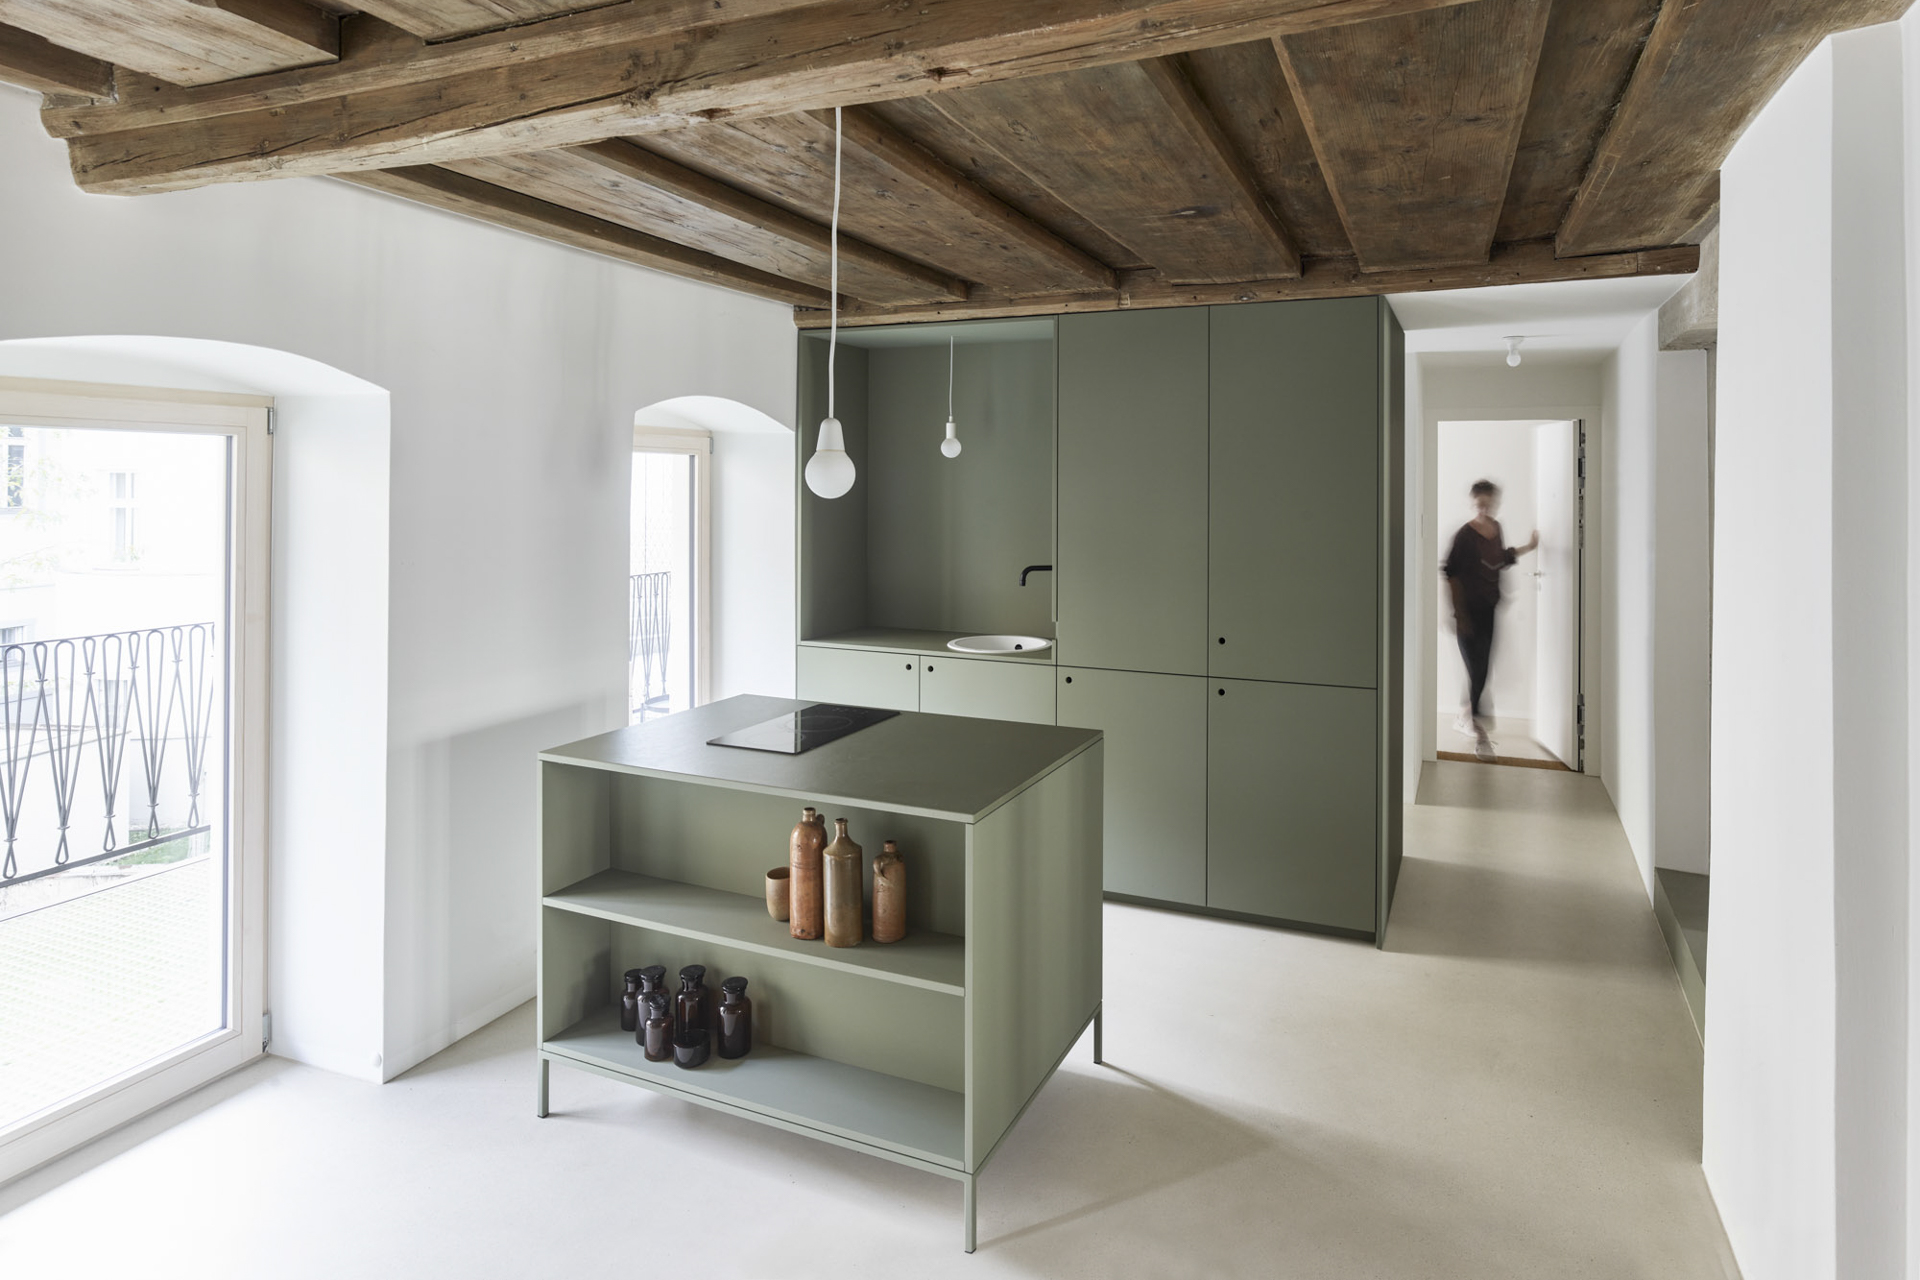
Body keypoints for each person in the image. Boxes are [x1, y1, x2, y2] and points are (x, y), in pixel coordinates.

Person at [1443, 480, 1538, 762]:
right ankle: (1481, 737)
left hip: (1489, 611)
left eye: (1488, 503)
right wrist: (1459, 615)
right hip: (1467, 614)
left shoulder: (1496, 529)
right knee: (1477, 671)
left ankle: (1464, 715)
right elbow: (1450, 574)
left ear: (1495, 502)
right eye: (1479, 504)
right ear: (1473, 503)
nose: (1484, 509)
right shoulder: (1464, 536)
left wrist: (1529, 547)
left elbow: (1501, 558)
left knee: (1482, 669)